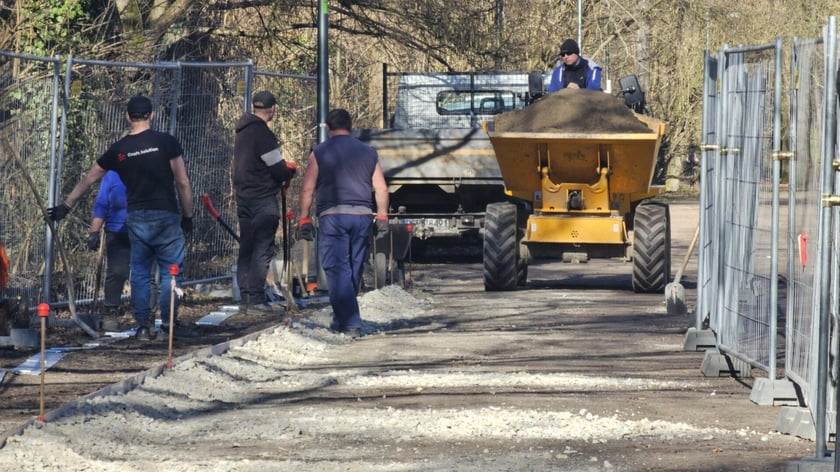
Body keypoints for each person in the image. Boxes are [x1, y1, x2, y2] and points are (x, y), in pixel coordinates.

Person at [47, 94, 194, 341]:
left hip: (136, 218)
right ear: (152, 115)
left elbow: (90, 177)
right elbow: (182, 181)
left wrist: (67, 205)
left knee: (139, 273)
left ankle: (143, 327)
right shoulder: (166, 142)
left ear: (128, 117)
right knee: (171, 271)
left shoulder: (120, 150)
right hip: (166, 215)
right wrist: (188, 215)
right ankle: (168, 325)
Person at [297, 108, 389, 339]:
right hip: (362, 216)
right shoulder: (368, 152)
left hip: (333, 216)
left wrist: (304, 217)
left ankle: (350, 323)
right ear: (352, 125)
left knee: (337, 268)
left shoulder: (319, 152)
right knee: (354, 267)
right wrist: (383, 216)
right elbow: (381, 187)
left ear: (328, 128)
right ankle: (341, 318)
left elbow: (308, 188)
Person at [232, 91, 298, 315]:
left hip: (244, 197)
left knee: (247, 247)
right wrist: (289, 171)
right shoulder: (263, 135)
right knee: (262, 248)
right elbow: (277, 168)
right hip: (262, 199)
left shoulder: (242, 131)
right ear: (272, 110)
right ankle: (256, 298)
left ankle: (244, 297)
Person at [87, 170, 130, 331]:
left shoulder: (148, 168)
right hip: (117, 230)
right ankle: (110, 312)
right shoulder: (112, 174)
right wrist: (94, 231)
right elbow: (101, 203)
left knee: (146, 275)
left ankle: (146, 317)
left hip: (144, 230)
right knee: (117, 272)